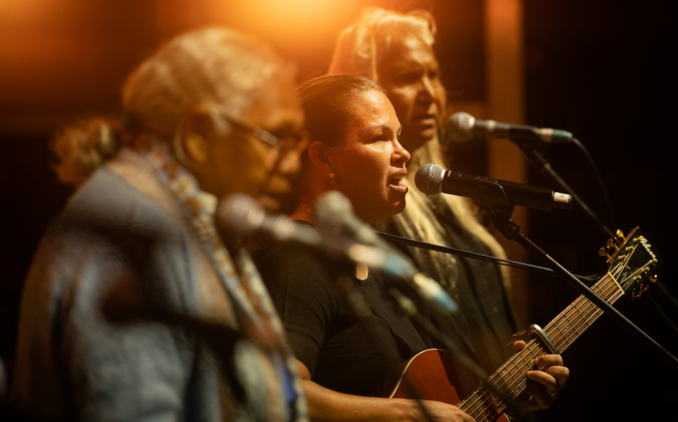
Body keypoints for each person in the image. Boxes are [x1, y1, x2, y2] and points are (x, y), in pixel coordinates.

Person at [12, 28, 309, 422]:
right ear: (199, 134)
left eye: (298, 142)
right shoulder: (129, 230)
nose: (292, 163)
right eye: (278, 138)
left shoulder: (176, 215)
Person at [253, 74, 568, 422]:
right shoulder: (297, 260)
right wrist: (407, 413)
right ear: (324, 159)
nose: (403, 152)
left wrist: (511, 396)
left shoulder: (372, 269)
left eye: (398, 136)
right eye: (379, 137)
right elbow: (273, 395)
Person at [329, 7, 519, 372]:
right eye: (409, 76)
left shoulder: (442, 193)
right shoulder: (367, 211)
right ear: (365, 89)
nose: (431, 92)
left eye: (433, 75)